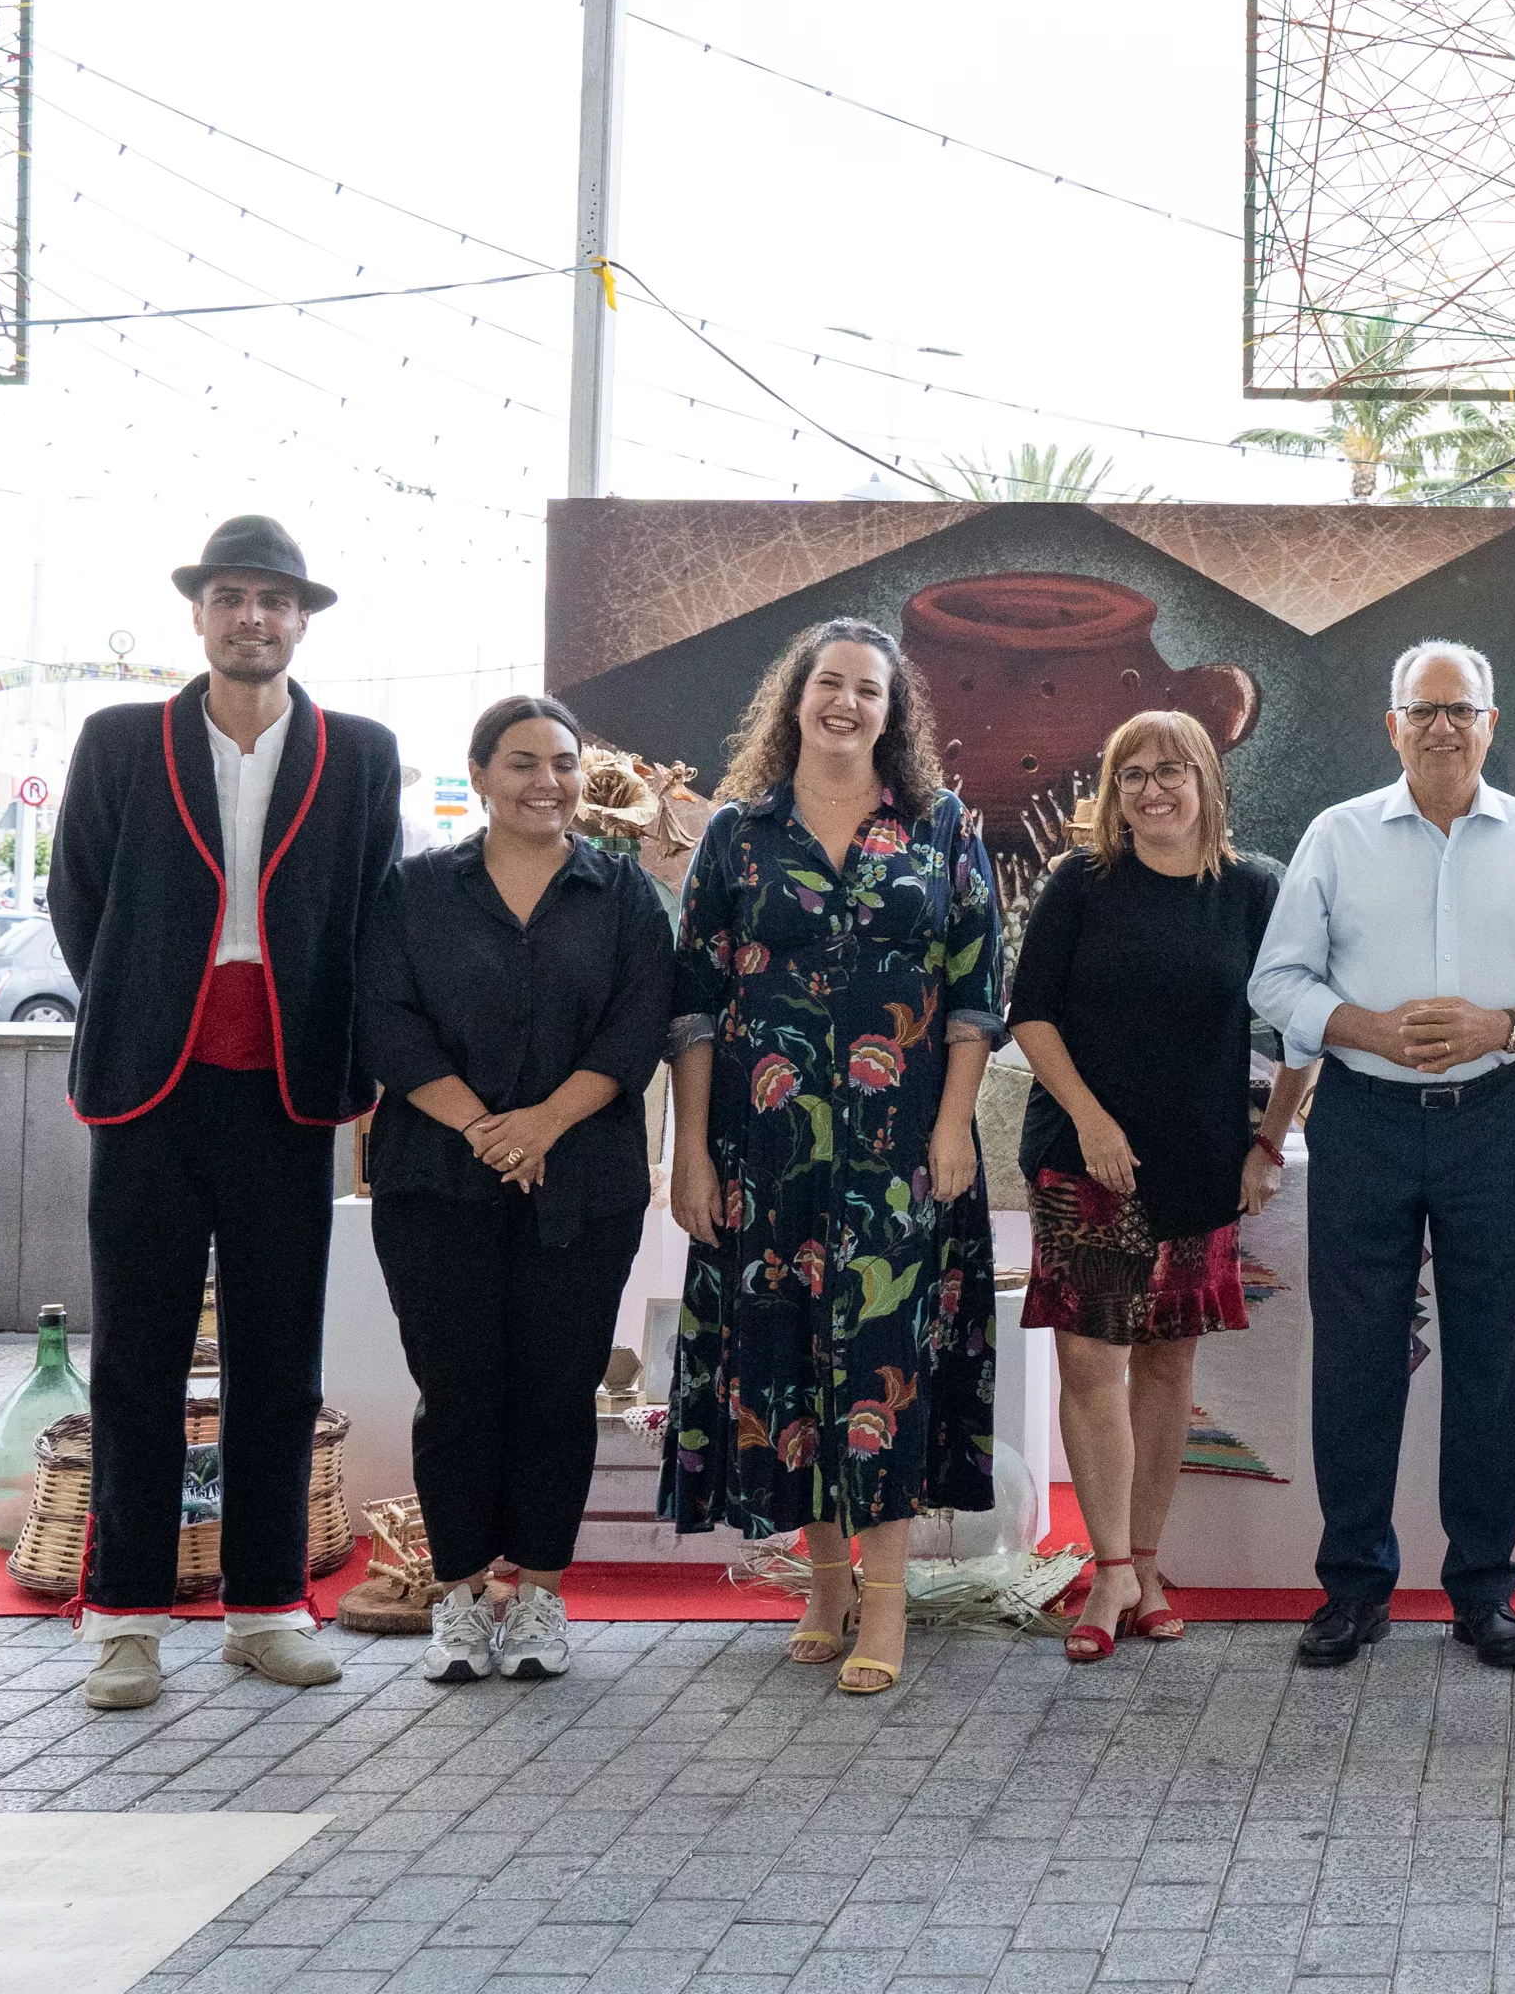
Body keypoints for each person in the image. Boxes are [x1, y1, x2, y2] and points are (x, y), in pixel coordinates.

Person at [50, 516, 403, 1712]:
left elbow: (373, 912)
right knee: (135, 1361)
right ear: (199, 613)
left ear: (303, 620)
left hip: (289, 1095)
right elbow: (78, 897)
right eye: (232, 597)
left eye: (273, 600)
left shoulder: (360, 753)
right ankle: (125, 1620)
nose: (253, 617)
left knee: (279, 1363)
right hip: (148, 1091)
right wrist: (142, 1004)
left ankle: (265, 1609)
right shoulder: (119, 740)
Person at [1249, 640, 1515, 1671]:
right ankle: (1353, 1589)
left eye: (1461, 710)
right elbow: (1275, 980)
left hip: (1492, 1119)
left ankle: (1484, 1591)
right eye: (1424, 709)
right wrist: (1359, 1026)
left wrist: (1506, 1026)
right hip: (1362, 1117)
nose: (1442, 727)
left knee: (1492, 1358)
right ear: (1392, 724)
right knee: (1355, 1356)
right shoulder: (1337, 835)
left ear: (1491, 725)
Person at [660, 617, 1005, 1695]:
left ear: (893, 714)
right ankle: (824, 1583)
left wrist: (952, 1128)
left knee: (883, 1357)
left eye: (869, 689)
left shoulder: (941, 826)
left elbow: (976, 993)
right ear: (795, 697)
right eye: (830, 683)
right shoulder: (736, 834)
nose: (846, 703)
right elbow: (692, 1005)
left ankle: (886, 1597)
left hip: (906, 1147)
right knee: (787, 1353)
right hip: (765, 1148)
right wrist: (689, 1155)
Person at [359, 694, 672, 1685]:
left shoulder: (623, 895)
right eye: (524, 762)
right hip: (433, 1179)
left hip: (583, 1183)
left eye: (564, 763)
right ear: (481, 775)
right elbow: (386, 1021)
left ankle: (536, 1594)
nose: (548, 781)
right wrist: (486, 1130)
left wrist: (541, 1126)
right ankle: (458, 1599)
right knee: (456, 1393)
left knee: (554, 1394)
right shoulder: (414, 889)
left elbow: (636, 1029)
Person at [1009, 710, 1316, 1658]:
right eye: (1132, 774)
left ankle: (1145, 1563)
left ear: (1207, 782)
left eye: (1170, 771)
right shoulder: (1081, 883)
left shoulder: (1254, 890)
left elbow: (1303, 1026)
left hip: (1198, 1162)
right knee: (1091, 1365)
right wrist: (1092, 1120)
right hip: (1084, 1162)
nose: (1152, 790)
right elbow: (1031, 1014)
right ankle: (1106, 1571)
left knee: (1167, 1367)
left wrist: (1267, 1144)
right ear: (1114, 792)